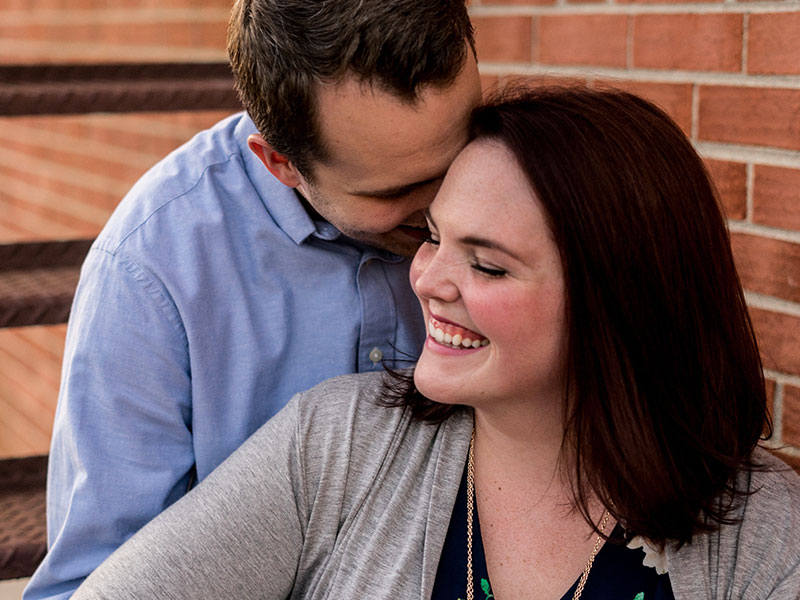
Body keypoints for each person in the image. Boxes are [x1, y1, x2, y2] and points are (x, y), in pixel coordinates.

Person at [71, 86, 800, 600]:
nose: (426, 279)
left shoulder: (763, 534)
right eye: (432, 236)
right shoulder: (338, 443)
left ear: (619, 299)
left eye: (486, 264)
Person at [24, 1, 482, 598]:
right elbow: (98, 581)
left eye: (463, 152)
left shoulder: (519, 190)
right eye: (398, 191)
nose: (446, 203)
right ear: (281, 164)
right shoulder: (152, 270)